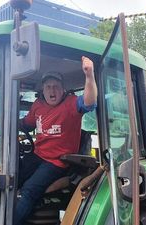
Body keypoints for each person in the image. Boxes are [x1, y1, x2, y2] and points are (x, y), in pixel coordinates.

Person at [14, 56, 97, 225]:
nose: (52, 91)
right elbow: (26, 124)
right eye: (48, 87)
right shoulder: (38, 105)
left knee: (29, 190)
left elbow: (89, 102)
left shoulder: (72, 104)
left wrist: (89, 76)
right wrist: (9, 122)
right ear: (43, 90)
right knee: (11, 180)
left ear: (62, 89)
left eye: (56, 87)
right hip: (37, 155)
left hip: (57, 162)